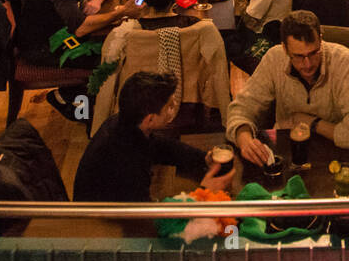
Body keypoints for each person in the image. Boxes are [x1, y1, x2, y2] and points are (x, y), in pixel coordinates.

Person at [16, 0, 142, 120]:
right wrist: (122, 12)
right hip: (43, 46)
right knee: (111, 54)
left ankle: (98, 101)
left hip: (64, 31)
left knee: (118, 45)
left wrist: (97, 0)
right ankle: (71, 101)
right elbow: (81, 28)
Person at [225, 10, 349, 162]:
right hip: (288, 153)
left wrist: (310, 122)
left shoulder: (347, 64)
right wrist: (244, 140)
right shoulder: (274, 58)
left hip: (334, 153)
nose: (307, 64)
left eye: (313, 53)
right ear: (284, 49)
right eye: (299, 56)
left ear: (321, 40)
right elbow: (241, 108)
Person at [73, 71, 234, 202]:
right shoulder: (126, 161)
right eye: (169, 106)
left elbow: (161, 148)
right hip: (102, 227)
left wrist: (203, 158)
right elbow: (147, 219)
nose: (174, 109)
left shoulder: (126, 123)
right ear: (150, 119)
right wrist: (203, 194)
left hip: (126, 208)